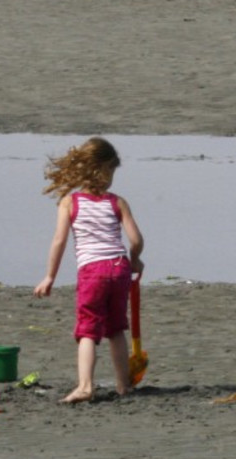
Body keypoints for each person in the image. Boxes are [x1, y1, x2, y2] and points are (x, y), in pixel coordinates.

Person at [33, 137, 144, 403]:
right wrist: (135, 259)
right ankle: (123, 385)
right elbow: (136, 239)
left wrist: (50, 276)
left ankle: (85, 386)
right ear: (104, 170)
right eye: (112, 171)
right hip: (119, 268)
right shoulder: (117, 202)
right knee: (116, 329)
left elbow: (59, 241)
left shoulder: (70, 203)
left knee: (87, 330)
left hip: (92, 271)